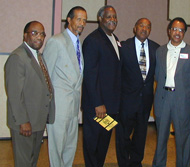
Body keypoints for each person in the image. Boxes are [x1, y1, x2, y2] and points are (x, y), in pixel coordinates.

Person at [4, 21, 55, 167]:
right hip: (25, 123)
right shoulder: (18, 57)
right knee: (24, 163)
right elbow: (14, 94)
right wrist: (22, 121)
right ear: (25, 35)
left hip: (37, 121)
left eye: (42, 34)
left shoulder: (38, 56)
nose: (39, 37)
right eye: (34, 33)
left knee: (32, 161)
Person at [152, 17, 190, 167]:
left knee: (183, 139)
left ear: (184, 32)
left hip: (182, 101)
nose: (177, 32)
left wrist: (184, 94)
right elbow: (157, 75)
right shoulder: (160, 51)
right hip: (163, 99)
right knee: (161, 138)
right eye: (175, 29)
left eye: (181, 30)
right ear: (169, 31)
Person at [43, 6, 87, 167]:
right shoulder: (56, 41)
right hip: (59, 106)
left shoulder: (78, 42)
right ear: (69, 20)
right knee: (57, 147)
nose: (82, 23)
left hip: (73, 105)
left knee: (70, 146)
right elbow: (45, 76)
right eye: (78, 19)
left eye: (84, 20)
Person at [116, 18, 160, 167]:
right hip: (126, 101)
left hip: (145, 101)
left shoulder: (156, 48)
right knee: (122, 135)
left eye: (148, 26)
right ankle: (123, 162)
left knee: (141, 135)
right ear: (135, 28)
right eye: (141, 25)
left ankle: (135, 162)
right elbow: (117, 74)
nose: (144, 29)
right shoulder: (123, 46)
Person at [81, 5, 121, 167]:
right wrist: (98, 103)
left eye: (114, 17)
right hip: (97, 107)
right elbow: (90, 75)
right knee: (93, 143)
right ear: (100, 19)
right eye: (108, 17)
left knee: (103, 142)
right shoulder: (93, 40)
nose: (112, 20)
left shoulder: (114, 39)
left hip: (110, 106)